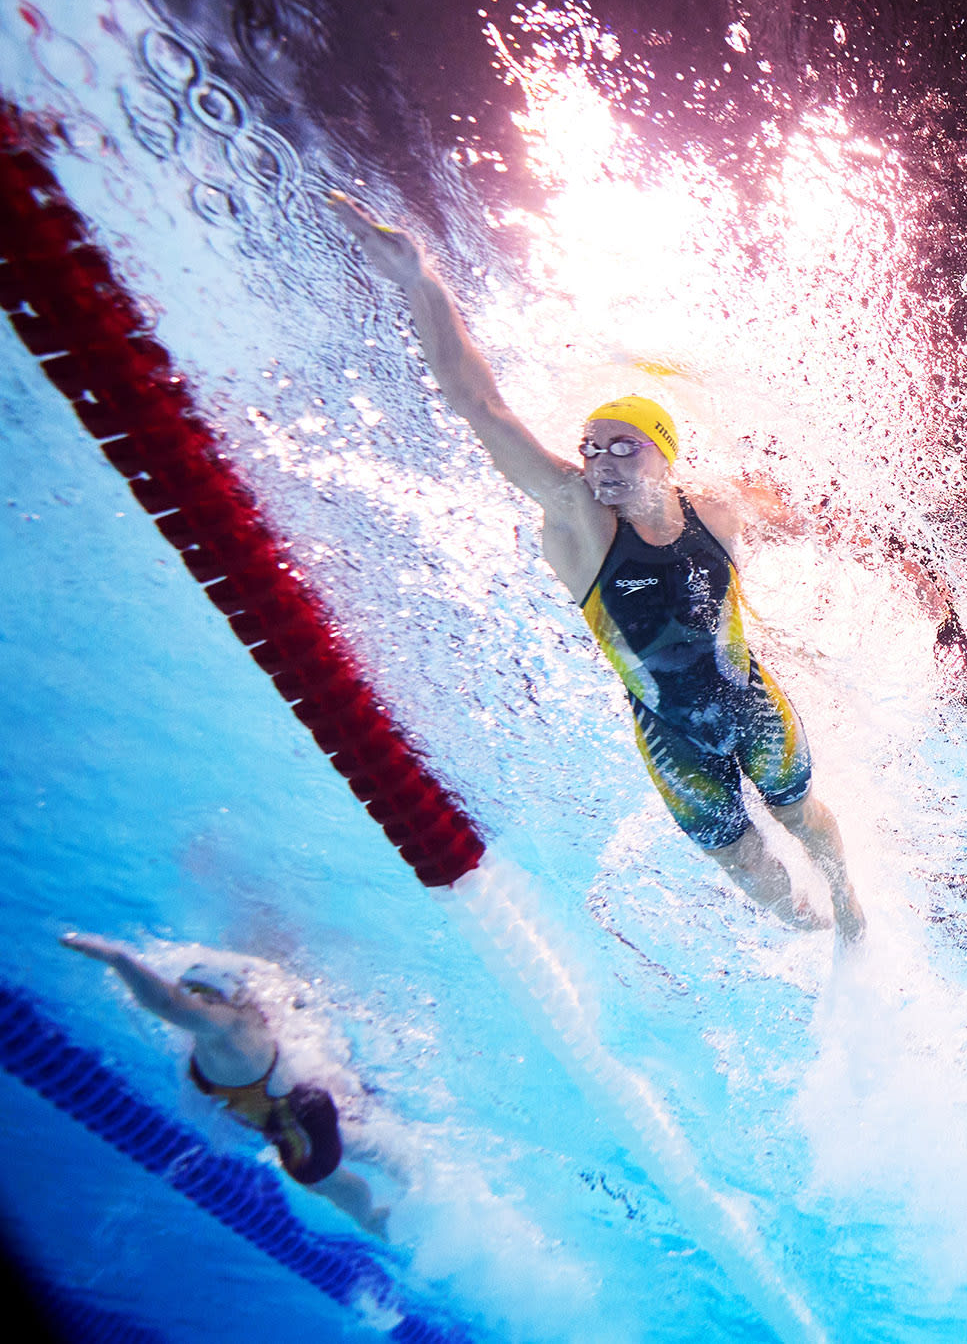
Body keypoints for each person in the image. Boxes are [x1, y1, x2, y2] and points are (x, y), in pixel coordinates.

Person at [329, 192, 865, 938]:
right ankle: (814, 930)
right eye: (589, 446)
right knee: (744, 864)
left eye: (622, 445)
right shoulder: (579, 520)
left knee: (800, 815)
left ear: (663, 451)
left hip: (751, 701)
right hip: (670, 735)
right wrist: (423, 282)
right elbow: (481, 406)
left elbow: (813, 514)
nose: (599, 461)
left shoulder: (716, 507)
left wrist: (884, 553)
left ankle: (849, 911)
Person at [61, 932, 392, 1234]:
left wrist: (118, 960)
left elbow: (167, 1004)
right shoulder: (234, 1028)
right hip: (302, 1108)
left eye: (201, 1000)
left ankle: (372, 1218)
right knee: (364, 1153)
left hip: (301, 1128)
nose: (192, 1004)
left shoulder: (229, 1027)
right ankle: (399, 1178)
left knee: (332, 1181)